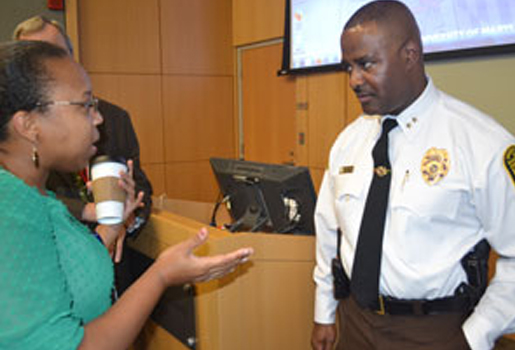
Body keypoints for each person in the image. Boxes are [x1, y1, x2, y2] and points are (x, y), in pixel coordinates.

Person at [0, 40, 253, 350]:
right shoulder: (9, 208)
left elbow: (64, 271)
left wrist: (111, 225)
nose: (99, 118)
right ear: (29, 125)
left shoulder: (34, 193)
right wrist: (161, 275)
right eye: (85, 105)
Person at [311, 1, 515, 350]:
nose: (354, 80)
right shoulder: (349, 142)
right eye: (349, 67)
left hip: (436, 331)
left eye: (366, 64)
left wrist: (474, 336)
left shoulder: (481, 142)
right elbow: (330, 230)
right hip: (355, 322)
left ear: (410, 55)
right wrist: (324, 312)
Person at [13, 15, 153, 261]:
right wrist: (88, 211)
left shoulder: (114, 118)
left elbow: (140, 187)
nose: (96, 119)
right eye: (34, 62)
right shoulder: (12, 132)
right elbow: (21, 199)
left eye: (54, 55)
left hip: (114, 267)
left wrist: (123, 219)